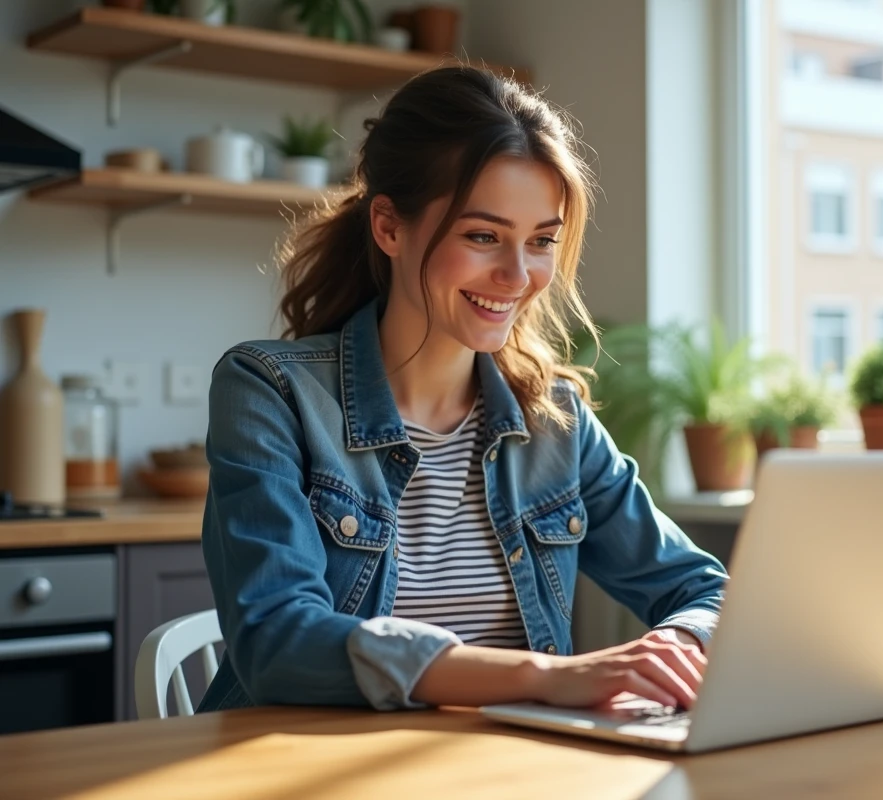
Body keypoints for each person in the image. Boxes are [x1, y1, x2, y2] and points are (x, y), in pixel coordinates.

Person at [196, 65, 728, 715]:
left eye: (541, 242)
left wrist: (669, 649)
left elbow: (708, 591)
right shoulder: (270, 391)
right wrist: (543, 675)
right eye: (483, 236)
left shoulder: (555, 422)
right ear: (389, 227)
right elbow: (279, 641)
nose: (518, 275)